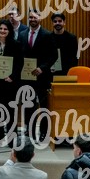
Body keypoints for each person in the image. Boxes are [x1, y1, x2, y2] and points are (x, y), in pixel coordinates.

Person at [17, 9, 57, 141]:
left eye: (35, 17)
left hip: (42, 77)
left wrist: (42, 68)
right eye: (30, 18)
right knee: (28, 105)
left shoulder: (47, 35)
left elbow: (53, 56)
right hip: (26, 77)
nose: (32, 20)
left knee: (44, 105)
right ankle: (30, 131)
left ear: (40, 18)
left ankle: (44, 131)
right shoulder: (22, 34)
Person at [0, 20, 23, 142]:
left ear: (9, 31)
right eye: (0, 29)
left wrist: (12, 77)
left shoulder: (16, 45)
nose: (2, 31)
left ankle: (12, 137)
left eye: (5, 29)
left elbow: (20, 63)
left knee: (10, 111)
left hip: (10, 83)